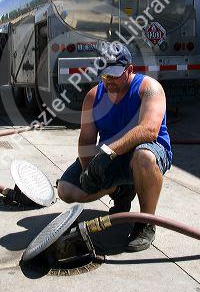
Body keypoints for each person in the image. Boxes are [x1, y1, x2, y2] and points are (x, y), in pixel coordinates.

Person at [57, 41, 172, 252]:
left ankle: (146, 222)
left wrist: (108, 152)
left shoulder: (149, 89)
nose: (109, 81)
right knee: (65, 189)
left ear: (130, 69)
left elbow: (149, 130)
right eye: (104, 75)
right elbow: (86, 140)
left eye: (115, 74)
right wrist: (87, 169)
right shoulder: (93, 96)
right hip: (111, 157)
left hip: (148, 153)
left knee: (143, 157)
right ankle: (120, 189)